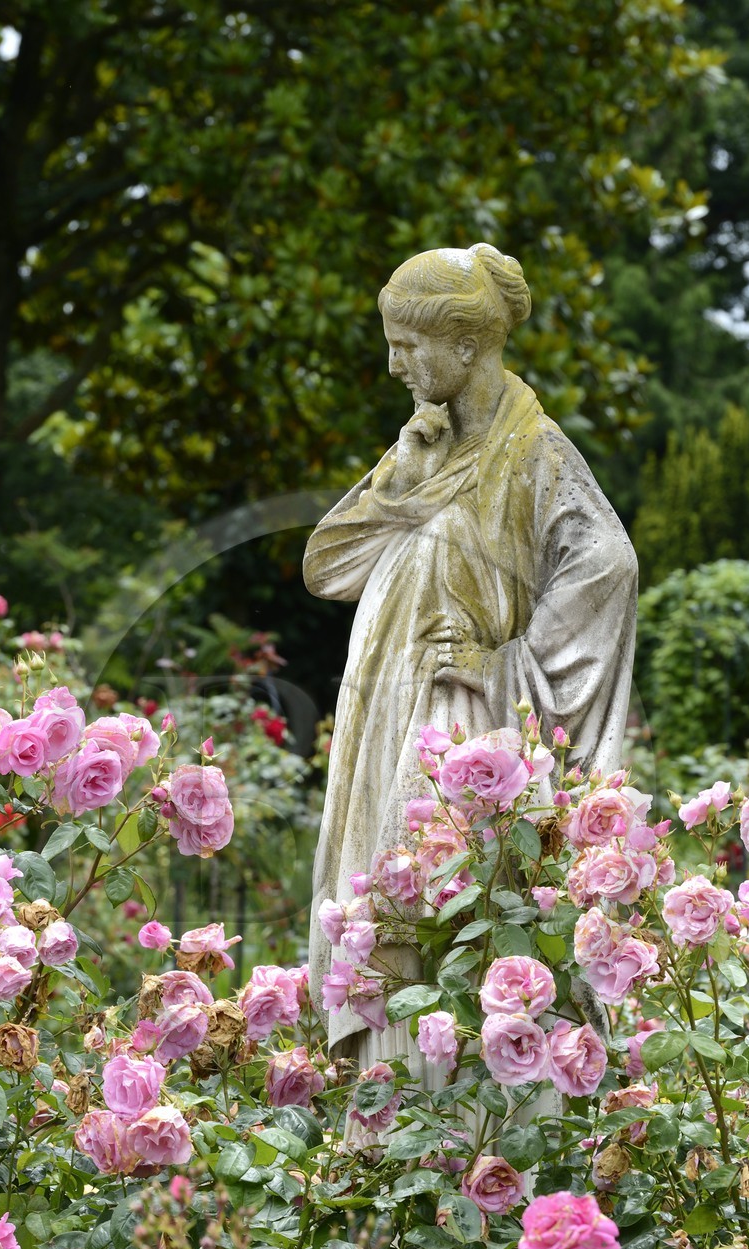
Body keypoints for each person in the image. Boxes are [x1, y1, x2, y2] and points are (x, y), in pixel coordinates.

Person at [303, 243, 637, 1063]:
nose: (393, 367)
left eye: (407, 347)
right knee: (387, 894)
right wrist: (404, 472)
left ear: (465, 346)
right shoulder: (429, 444)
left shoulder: (536, 454)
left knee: (437, 907)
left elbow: (610, 565)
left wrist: (504, 664)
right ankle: (390, 1127)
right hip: (386, 700)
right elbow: (328, 566)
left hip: (457, 710)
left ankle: (446, 1124)